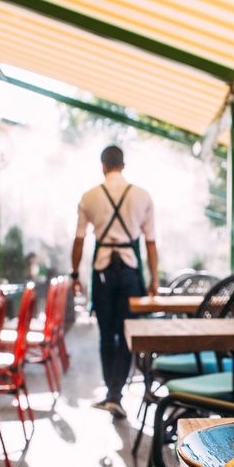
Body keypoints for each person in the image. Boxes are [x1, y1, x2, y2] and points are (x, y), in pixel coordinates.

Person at [70, 145, 158, 417]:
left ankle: (111, 393)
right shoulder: (142, 196)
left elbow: (79, 240)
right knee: (128, 333)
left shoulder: (89, 197)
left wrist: (75, 275)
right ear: (123, 164)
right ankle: (115, 394)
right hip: (131, 272)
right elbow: (151, 243)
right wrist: (153, 278)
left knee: (107, 334)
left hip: (103, 272)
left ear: (103, 165)